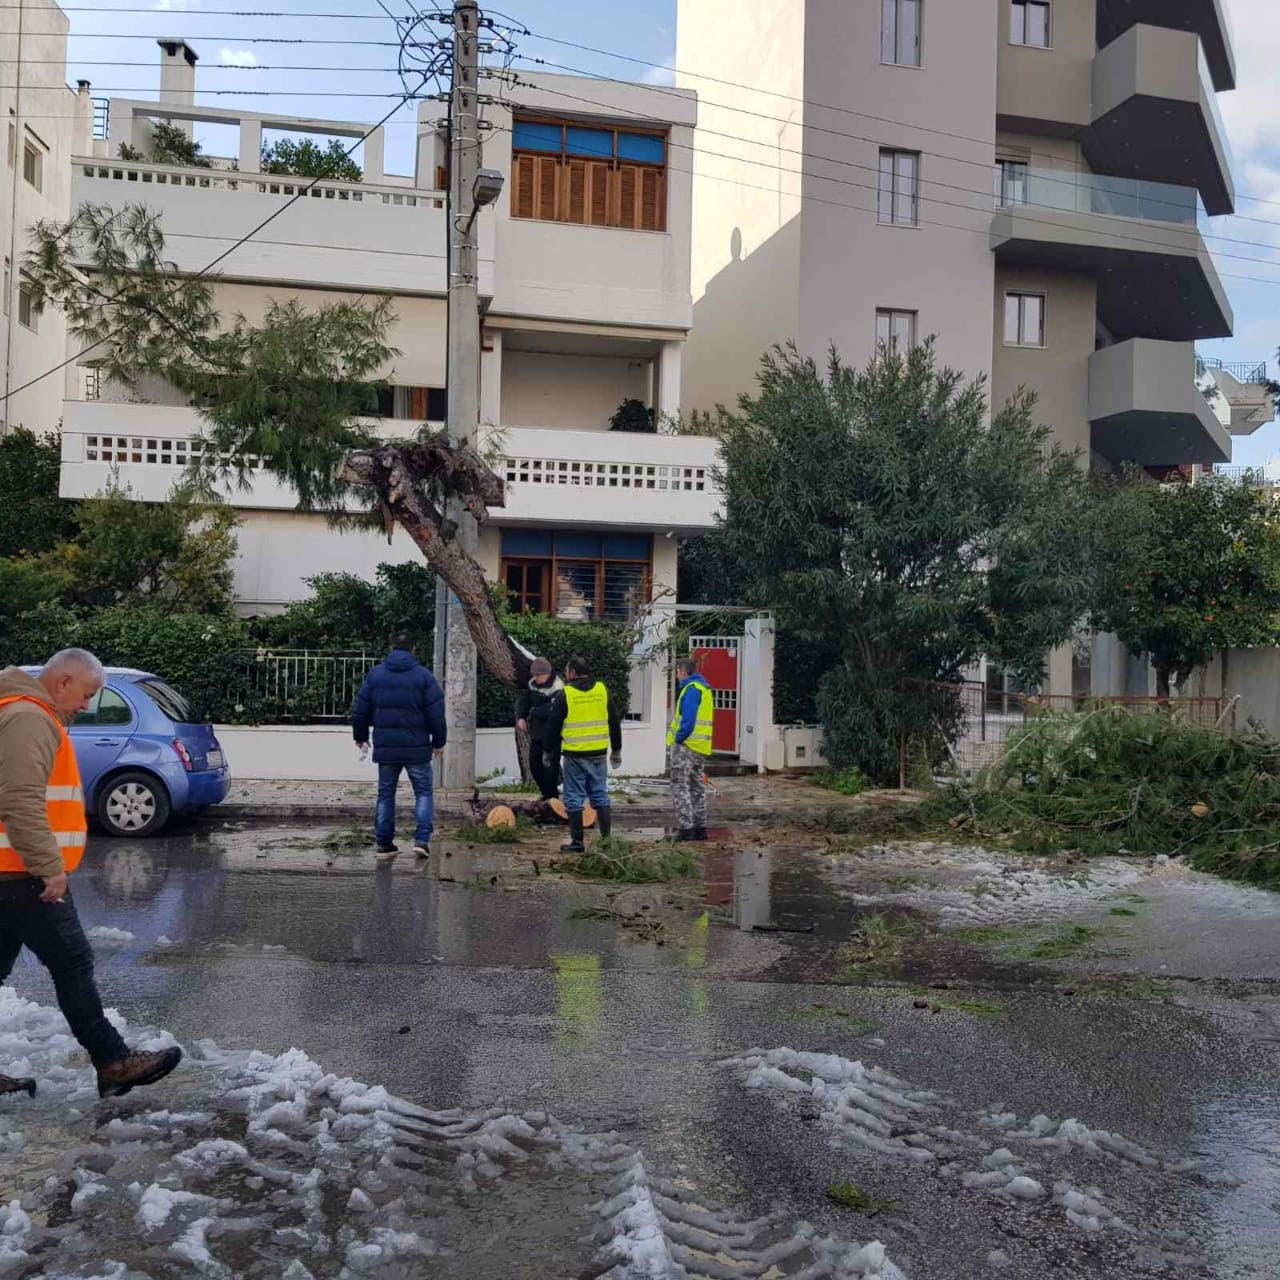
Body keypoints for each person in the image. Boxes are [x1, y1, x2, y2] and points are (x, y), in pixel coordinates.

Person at [0, 649, 184, 1100]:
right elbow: (19, 800)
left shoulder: (19, 710)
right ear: (62, 681)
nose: (85, 706)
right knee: (73, 964)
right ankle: (115, 1062)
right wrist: (49, 868)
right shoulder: (29, 717)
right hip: (21, 874)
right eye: (86, 695)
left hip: (9, 871)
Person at [352, 633, 447, 863]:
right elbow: (436, 713)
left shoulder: (376, 675)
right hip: (417, 747)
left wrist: (361, 736)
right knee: (423, 793)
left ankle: (384, 845)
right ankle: (422, 841)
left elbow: (360, 709)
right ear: (413, 649)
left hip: (386, 748)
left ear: (392, 648)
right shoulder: (424, 676)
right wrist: (439, 741)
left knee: (386, 795)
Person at [543, 655, 622, 854]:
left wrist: (548, 752)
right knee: (600, 795)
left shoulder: (565, 694)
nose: (567, 674)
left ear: (573, 673)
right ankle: (606, 841)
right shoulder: (602, 690)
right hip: (598, 754)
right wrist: (617, 750)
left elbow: (553, 727)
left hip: (575, 755)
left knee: (573, 797)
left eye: (568, 670)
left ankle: (577, 842)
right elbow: (614, 722)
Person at [668, 657, 714, 842]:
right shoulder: (703, 688)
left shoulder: (692, 690)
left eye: (677, 673)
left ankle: (686, 829)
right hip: (700, 746)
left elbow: (688, 720)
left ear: (683, 672)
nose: (677, 677)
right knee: (697, 785)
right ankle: (699, 828)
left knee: (680, 785)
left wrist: (678, 739)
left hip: (686, 745)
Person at [514, 656, 564, 801]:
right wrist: (521, 716)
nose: (536, 678)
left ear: (547, 673)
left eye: (538, 676)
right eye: (534, 675)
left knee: (550, 767)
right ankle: (545, 793)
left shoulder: (558, 687)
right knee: (535, 766)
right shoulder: (532, 684)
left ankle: (552, 796)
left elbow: (552, 711)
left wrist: (533, 712)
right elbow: (524, 700)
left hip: (552, 733)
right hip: (536, 732)